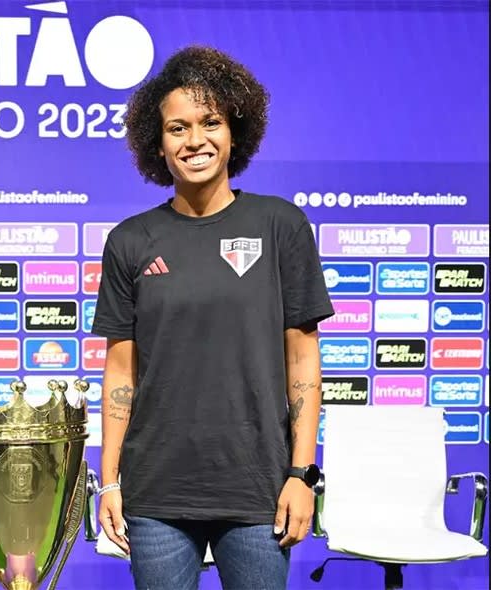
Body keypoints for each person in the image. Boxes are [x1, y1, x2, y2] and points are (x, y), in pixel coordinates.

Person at [93, 46, 334, 590]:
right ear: (158, 143)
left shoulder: (280, 225)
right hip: (156, 492)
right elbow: (120, 373)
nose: (194, 139)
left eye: (211, 123)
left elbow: (302, 358)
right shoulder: (130, 241)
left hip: (258, 489)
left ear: (234, 133)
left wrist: (301, 474)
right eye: (177, 127)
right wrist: (109, 482)